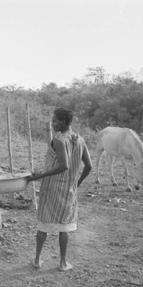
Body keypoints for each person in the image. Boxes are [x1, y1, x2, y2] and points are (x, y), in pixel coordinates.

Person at [27, 108, 92, 271]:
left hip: (52, 187)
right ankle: (63, 263)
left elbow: (63, 165)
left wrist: (38, 176)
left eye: (54, 121)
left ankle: (37, 260)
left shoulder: (59, 139)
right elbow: (89, 166)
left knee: (44, 224)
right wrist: (78, 182)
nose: (52, 123)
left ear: (63, 122)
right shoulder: (80, 139)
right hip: (69, 189)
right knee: (65, 226)